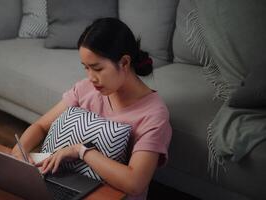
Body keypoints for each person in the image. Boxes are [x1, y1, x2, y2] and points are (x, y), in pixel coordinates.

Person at [11, 17, 172, 199]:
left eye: (97, 68)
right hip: (66, 184)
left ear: (125, 63)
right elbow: (41, 126)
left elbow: (135, 183)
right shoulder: (85, 89)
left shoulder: (153, 114)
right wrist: (19, 154)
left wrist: (81, 151)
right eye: (86, 68)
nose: (91, 78)